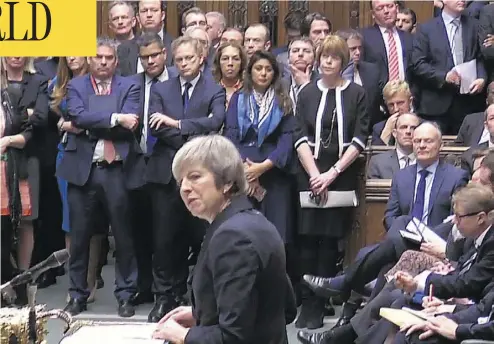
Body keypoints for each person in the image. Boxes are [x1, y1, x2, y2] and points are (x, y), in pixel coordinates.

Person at [152, 135, 295, 344]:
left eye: (194, 177)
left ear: (227, 182)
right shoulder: (254, 221)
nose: (184, 188)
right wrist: (200, 313)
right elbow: (283, 309)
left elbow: (233, 338)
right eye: (181, 181)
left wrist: (183, 336)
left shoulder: (233, 237)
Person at [293, 34, 369, 330]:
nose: (327, 61)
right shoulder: (307, 92)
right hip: (310, 174)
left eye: (334, 57)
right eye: (323, 56)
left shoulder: (357, 94)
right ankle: (308, 302)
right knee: (308, 241)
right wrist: (314, 174)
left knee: (329, 244)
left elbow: (360, 137)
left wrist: (332, 173)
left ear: (343, 62)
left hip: (340, 174)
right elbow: (298, 135)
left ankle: (322, 300)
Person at [223, 50, 296, 243]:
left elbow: (287, 139)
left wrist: (263, 167)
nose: (263, 73)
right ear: (249, 72)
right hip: (243, 173)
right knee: (243, 232)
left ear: (275, 73)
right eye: (258, 68)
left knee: (275, 233)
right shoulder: (237, 100)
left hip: (274, 173)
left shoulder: (283, 101)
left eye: (268, 69)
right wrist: (247, 171)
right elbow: (230, 136)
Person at [0, 59, 33, 305]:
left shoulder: (10, 95)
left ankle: (16, 286)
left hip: (7, 170)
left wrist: (11, 139)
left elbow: (29, 131)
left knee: (8, 230)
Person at [211, 41, 247, 107]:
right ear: (218, 62)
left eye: (235, 59)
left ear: (242, 62)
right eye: (225, 59)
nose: (230, 63)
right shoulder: (210, 89)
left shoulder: (249, 90)